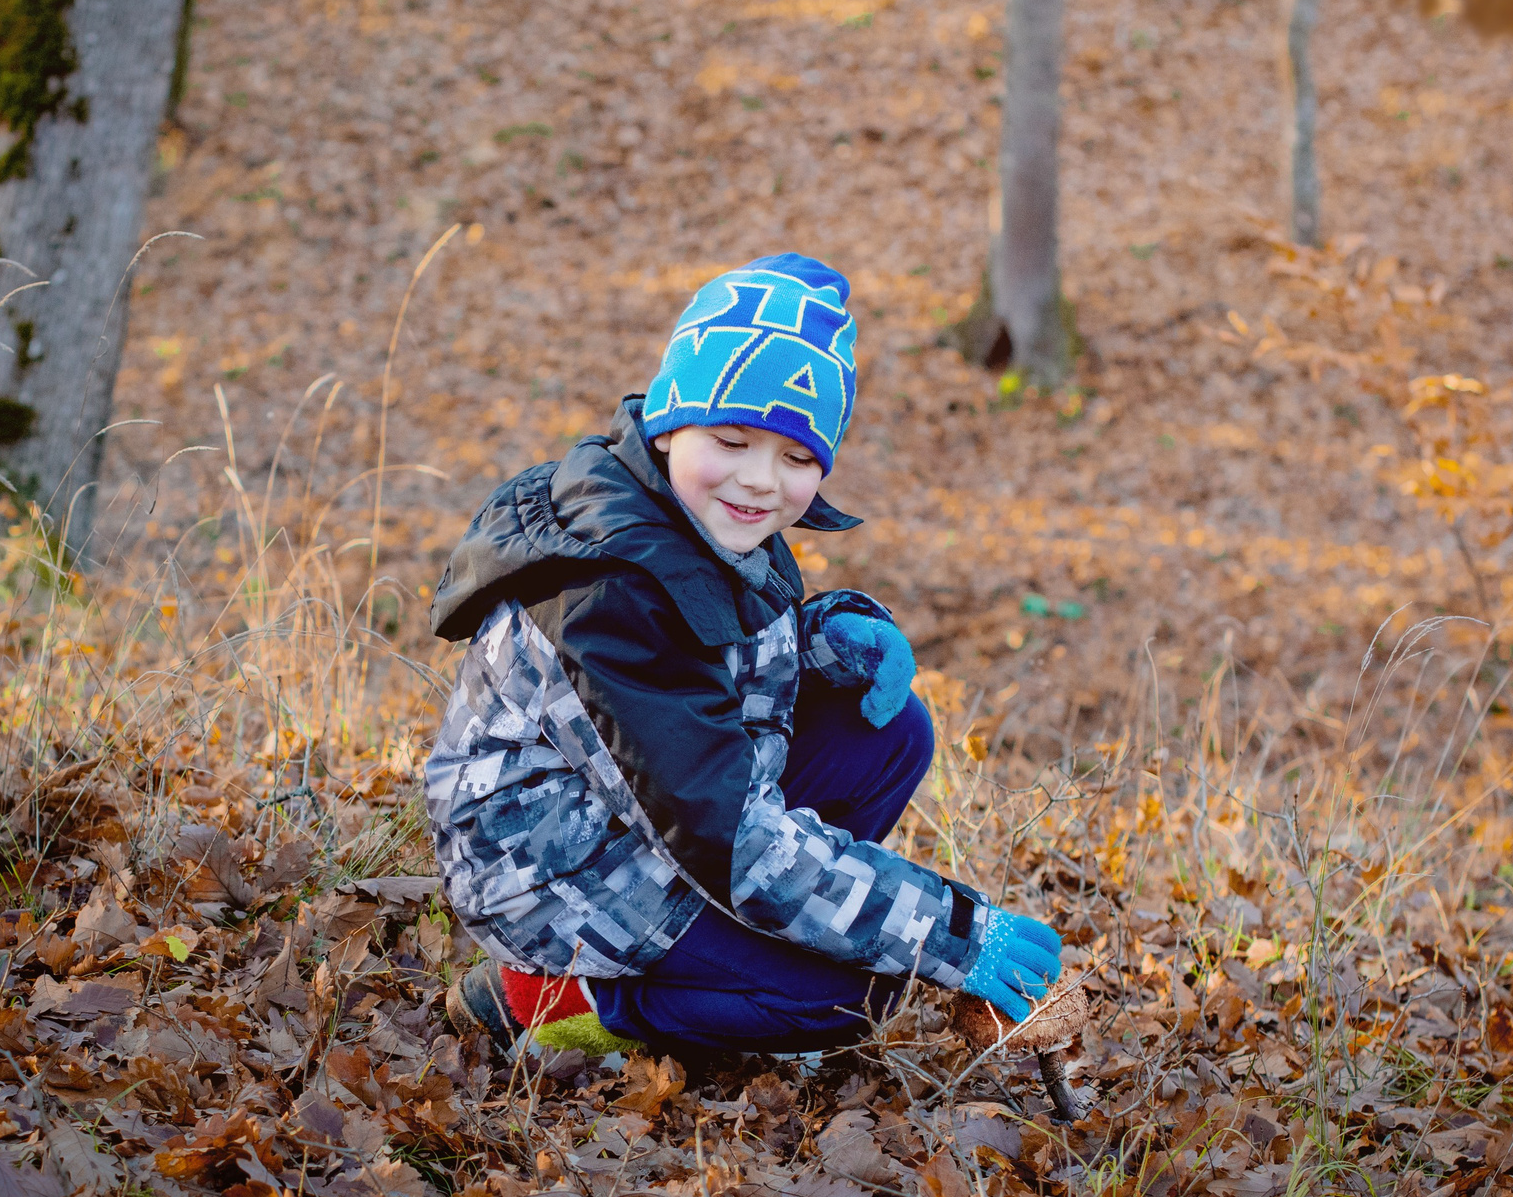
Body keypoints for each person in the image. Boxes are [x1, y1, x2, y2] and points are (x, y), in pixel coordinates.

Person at [420, 252, 1063, 1061]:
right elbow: (731, 832)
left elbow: (727, 654)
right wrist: (953, 930)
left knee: (891, 731)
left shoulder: (702, 515)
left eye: (797, 458)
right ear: (668, 422)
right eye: (732, 439)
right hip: (551, 875)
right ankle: (559, 997)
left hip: (654, 817)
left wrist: (832, 635)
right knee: (851, 997)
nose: (761, 482)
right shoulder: (607, 597)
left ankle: (732, 952)